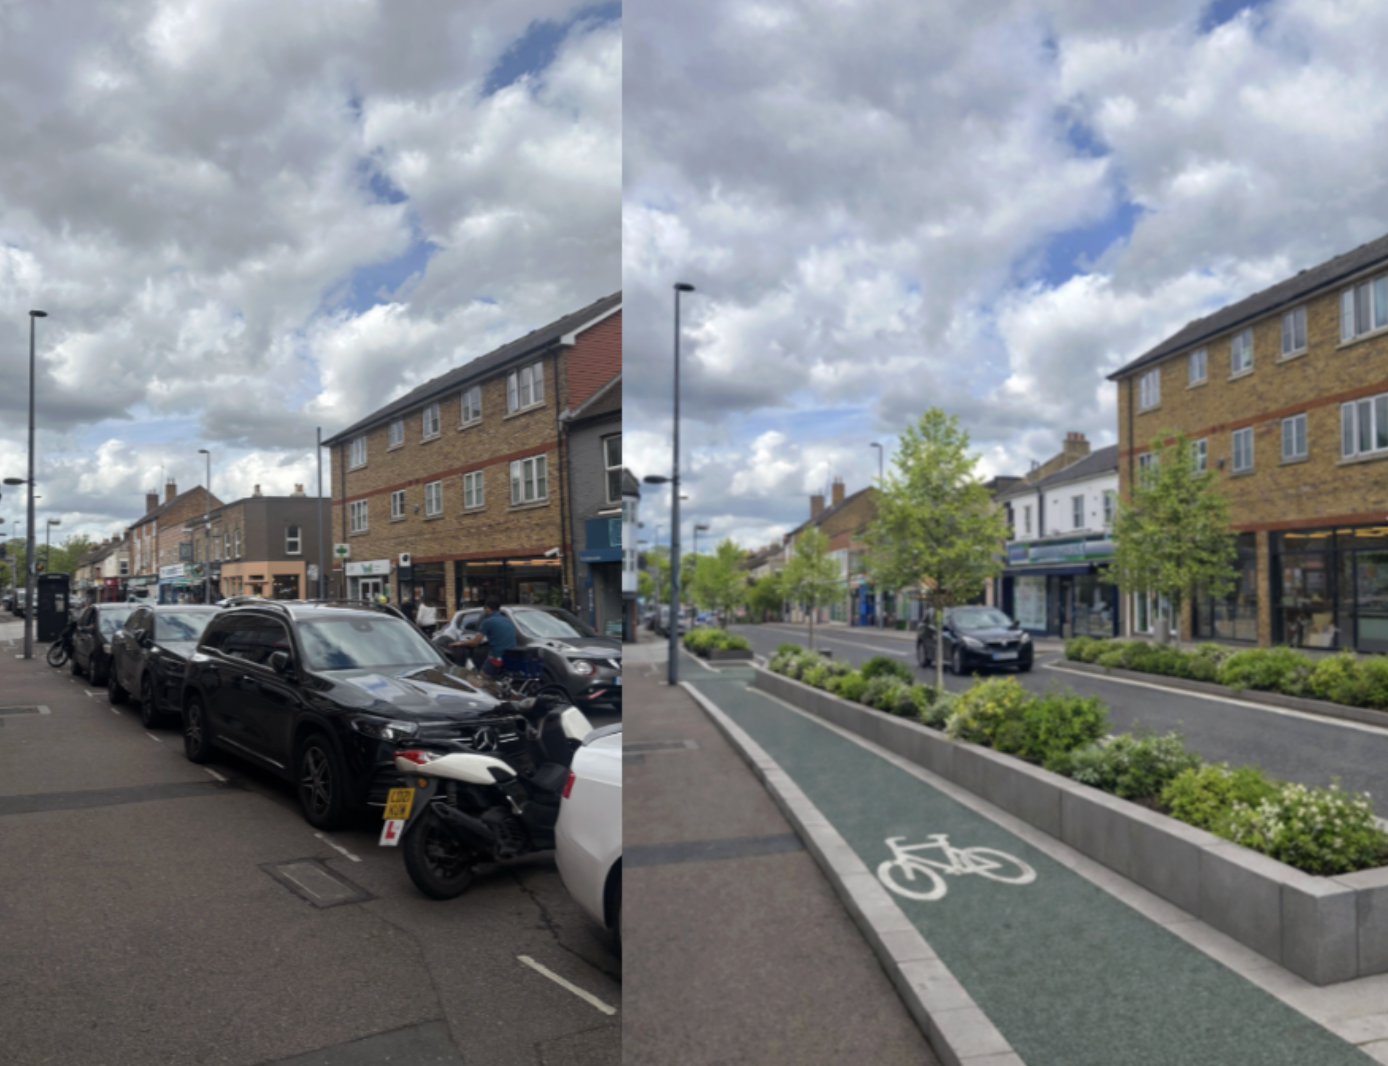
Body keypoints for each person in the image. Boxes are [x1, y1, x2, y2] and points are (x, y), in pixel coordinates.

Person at [451, 597, 516, 677]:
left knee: (483, 678)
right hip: (510, 656)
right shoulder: (507, 620)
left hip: (497, 656)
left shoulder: (488, 621)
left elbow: (475, 642)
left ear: (487, 608)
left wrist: (460, 643)